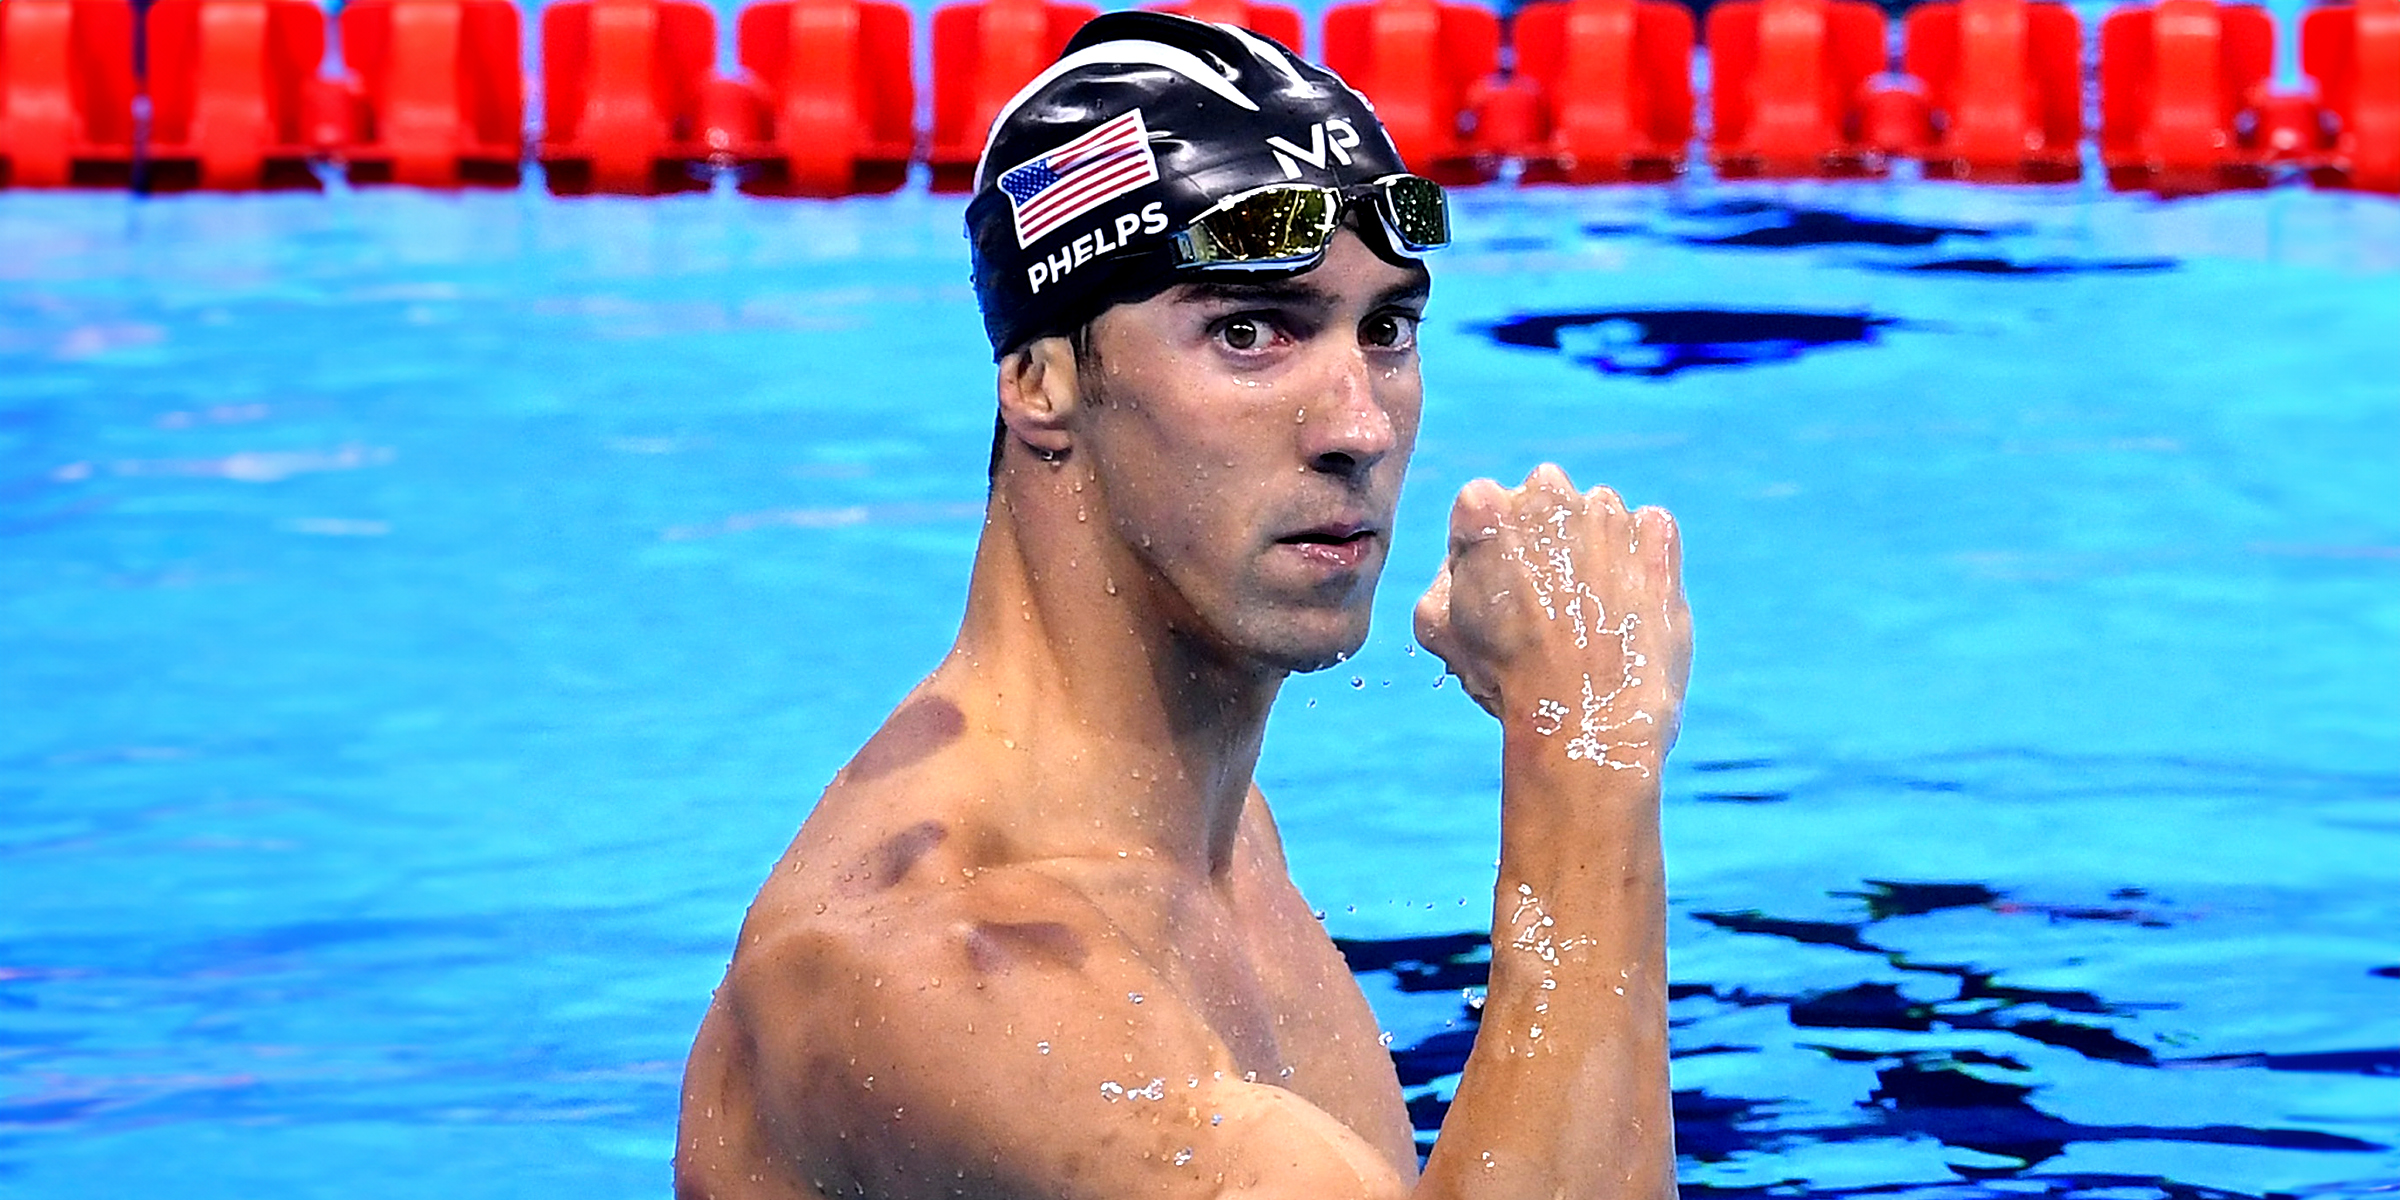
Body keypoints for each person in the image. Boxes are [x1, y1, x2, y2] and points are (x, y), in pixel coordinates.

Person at [675, 14, 1691, 1199]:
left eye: (1386, 330)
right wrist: (1589, 759)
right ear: (1040, 381)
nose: (1358, 425)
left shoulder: (1209, 836)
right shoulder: (937, 968)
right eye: (1248, 331)